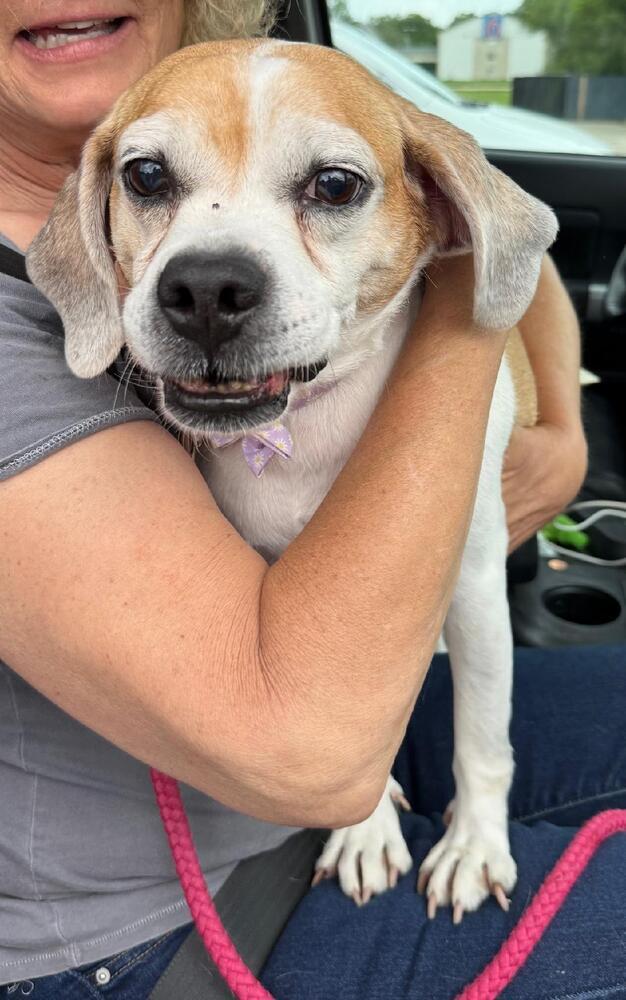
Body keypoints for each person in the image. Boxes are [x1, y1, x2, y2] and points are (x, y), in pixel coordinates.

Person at [0, 2, 622, 998]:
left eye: (328, 186)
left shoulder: (312, 148)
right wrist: (456, 287)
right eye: (154, 181)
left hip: (361, 691)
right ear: (101, 214)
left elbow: (520, 263)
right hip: (163, 914)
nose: (208, 279)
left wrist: (556, 430)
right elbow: (312, 751)